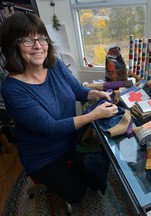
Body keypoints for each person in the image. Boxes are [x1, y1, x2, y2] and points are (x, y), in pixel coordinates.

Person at [0, 12, 119, 204]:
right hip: (43, 155)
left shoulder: (55, 65)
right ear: (12, 45)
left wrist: (95, 94)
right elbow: (50, 128)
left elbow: (78, 91)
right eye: (28, 40)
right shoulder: (12, 89)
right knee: (77, 194)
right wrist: (94, 115)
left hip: (70, 138)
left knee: (98, 175)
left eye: (42, 38)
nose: (38, 46)